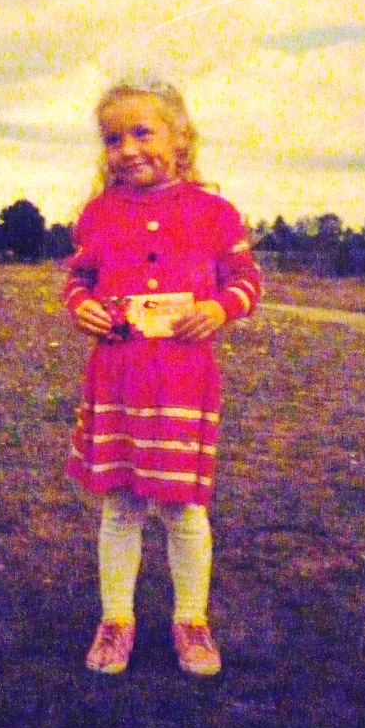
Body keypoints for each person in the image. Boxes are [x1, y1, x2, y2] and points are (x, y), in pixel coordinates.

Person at [64, 75, 262, 676]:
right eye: (113, 138)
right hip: (118, 380)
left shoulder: (216, 213)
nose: (127, 149)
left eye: (142, 132)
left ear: (179, 137)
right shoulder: (97, 214)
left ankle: (191, 620)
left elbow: (246, 281)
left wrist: (219, 309)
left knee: (183, 510)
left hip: (183, 383)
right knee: (120, 506)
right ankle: (115, 620)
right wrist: (81, 306)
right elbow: (78, 279)